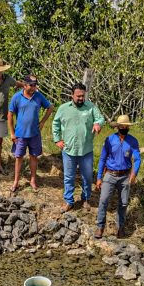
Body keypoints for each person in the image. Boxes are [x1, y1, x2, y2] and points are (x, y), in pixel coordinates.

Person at [52, 82, 105, 213]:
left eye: (83, 96)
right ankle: (69, 201)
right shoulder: (63, 108)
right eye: (78, 96)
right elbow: (55, 124)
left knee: (87, 177)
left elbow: (100, 118)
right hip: (69, 150)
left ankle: (85, 199)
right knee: (68, 177)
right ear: (72, 95)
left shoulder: (91, 107)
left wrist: (98, 124)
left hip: (86, 150)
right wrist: (57, 139)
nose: (81, 98)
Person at [94, 115, 141, 239]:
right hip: (110, 174)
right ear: (118, 127)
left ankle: (120, 227)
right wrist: (99, 177)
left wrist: (134, 173)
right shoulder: (109, 140)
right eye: (121, 126)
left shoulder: (133, 141)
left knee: (124, 203)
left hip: (125, 176)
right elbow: (102, 159)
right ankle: (100, 226)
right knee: (103, 200)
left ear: (128, 127)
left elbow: (137, 159)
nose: (124, 127)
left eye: (126, 126)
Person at [7, 74, 54, 193]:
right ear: (25, 84)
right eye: (31, 86)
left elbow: (50, 107)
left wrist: (43, 122)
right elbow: (10, 115)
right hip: (20, 134)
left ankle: (33, 180)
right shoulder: (17, 97)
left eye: (35, 85)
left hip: (34, 134)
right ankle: (16, 181)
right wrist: (12, 133)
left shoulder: (38, 96)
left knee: (34, 156)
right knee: (19, 157)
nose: (34, 88)